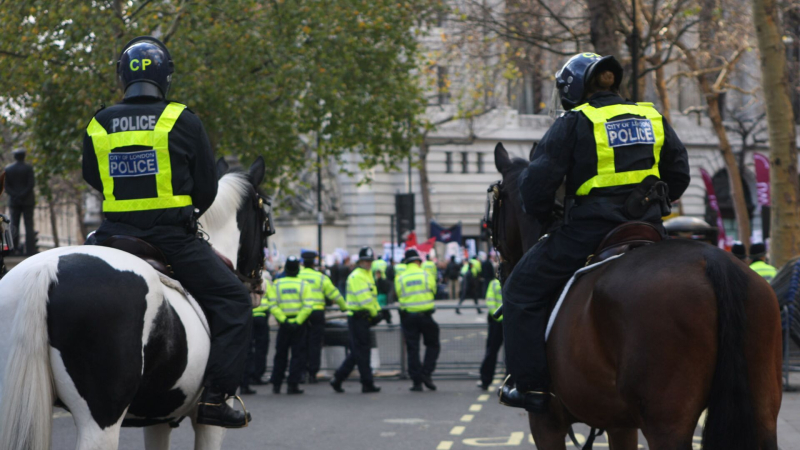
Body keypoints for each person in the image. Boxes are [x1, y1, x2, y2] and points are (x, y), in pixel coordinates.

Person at [501, 53, 690, 412]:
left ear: (571, 89)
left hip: (589, 230)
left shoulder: (575, 120)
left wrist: (545, 215)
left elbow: (535, 191)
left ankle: (531, 387)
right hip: (647, 228)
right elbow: (679, 175)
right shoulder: (652, 116)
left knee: (520, 290)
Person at [81, 36, 252, 427]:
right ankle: (214, 399)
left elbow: (92, 176)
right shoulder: (182, 119)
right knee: (235, 302)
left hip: (111, 236)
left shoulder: (99, 121)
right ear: (165, 78)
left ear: (123, 76)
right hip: (171, 239)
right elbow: (208, 189)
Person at [330, 246, 382, 394]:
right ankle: (366, 383)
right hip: (358, 317)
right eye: (366, 261)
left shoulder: (366, 274)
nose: (368, 263)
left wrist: (377, 311)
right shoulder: (358, 276)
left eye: (370, 261)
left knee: (357, 352)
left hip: (363, 318)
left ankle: (338, 378)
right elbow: (364, 299)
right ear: (360, 261)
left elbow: (372, 297)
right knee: (362, 352)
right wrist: (375, 313)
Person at [298, 250, 346, 384]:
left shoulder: (297, 276)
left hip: (301, 313)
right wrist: (343, 306)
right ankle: (312, 373)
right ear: (314, 262)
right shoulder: (320, 277)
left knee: (301, 343)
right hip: (317, 313)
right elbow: (334, 293)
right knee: (315, 344)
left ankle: (301, 373)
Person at [268, 256, 314, 394]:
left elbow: (273, 305)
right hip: (299, 326)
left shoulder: (277, 284)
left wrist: (284, 321)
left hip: (284, 325)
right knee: (297, 355)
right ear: (298, 269)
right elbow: (308, 306)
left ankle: (276, 384)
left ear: (286, 269)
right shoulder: (303, 285)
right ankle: (292, 385)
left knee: (280, 354)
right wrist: (298, 321)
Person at [396, 248, 440, 392]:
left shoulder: (400, 277)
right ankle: (426, 373)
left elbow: (398, 295)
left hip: (408, 317)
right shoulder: (426, 274)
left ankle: (416, 382)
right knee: (433, 344)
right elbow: (434, 291)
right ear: (418, 261)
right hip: (426, 316)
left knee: (412, 349)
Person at [241, 273, 274, 395]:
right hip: (261, 317)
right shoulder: (264, 282)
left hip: (248, 317)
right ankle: (257, 375)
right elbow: (272, 300)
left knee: (247, 350)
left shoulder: (243, 281)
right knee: (261, 348)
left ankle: (245, 381)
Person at [4, 148, 36, 256]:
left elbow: (6, 186)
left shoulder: (8, 169)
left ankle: (13, 249)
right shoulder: (28, 168)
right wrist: (22, 195)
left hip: (14, 201)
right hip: (27, 200)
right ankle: (31, 249)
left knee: (14, 224)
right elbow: (31, 184)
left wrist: (15, 195)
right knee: (29, 225)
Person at [478, 277, 503, 390]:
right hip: (510, 322)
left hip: (496, 322)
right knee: (512, 354)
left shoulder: (493, 283)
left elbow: (490, 301)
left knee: (491, 352)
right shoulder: (516, 280)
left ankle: (485, 380)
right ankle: (511, 383)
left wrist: (497, 316)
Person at [373, 259, 393, 324]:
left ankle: (389, 322)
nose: (377, 275)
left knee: (385, 312)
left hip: (383, 298)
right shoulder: (377, 281)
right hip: (380, 298)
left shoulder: (382, 281)